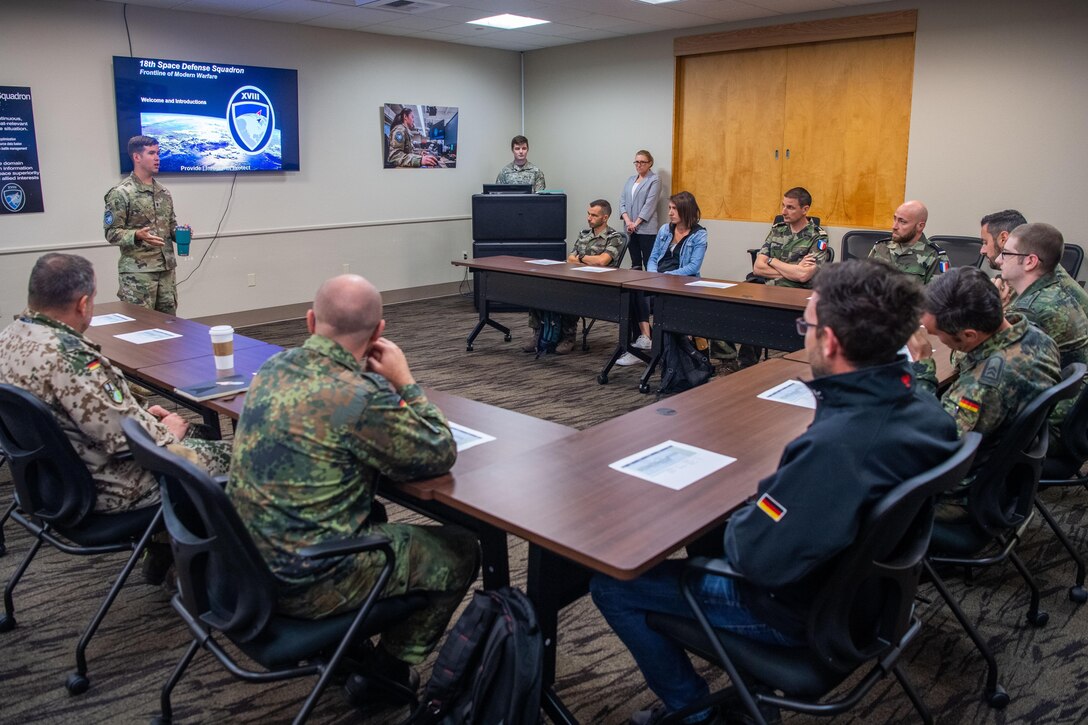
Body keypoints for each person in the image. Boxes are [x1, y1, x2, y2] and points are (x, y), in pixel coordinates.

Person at [593, 260, 961, 725]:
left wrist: (760, 500)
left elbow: (753, 557)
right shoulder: (926, 411)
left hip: (798, 610)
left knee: (613, 586)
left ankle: (695, 715)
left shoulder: (835, 447)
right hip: (872, 599)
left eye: (804, 324)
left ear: (828, 341)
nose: (802, 333)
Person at [227, 274, 479, 695]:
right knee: (460, 549)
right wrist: (405, 382)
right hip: (305, 583)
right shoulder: (360, 396)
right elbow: (438, 451)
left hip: (242, 562)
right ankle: (383, 674)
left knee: (374, 512)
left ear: (310, 321)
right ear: (380, 332)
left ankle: (347, 650)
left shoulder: (272, 367)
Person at [0, 253, 231, 514]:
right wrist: (167, 432)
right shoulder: (71, 358)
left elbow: (85, 410)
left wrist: (140, 414)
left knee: (202, 433)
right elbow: (123, 441)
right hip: (113, 487)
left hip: (48, 480)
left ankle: (170, 547)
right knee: (243, 456)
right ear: (83, 304)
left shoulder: (9, 338)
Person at [908, 266, 1061, 522]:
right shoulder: (1035, 336)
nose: (935, 340)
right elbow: (975, 353)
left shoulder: (981, 388)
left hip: (956, 495)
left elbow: (933, 443)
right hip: (1003, 471)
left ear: (969, 334)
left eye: (937, 335)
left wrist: (922, 367)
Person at [998, 222, 1088, 454]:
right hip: (1071, 415)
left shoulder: (1032, 310)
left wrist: (993, 313)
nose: (998, 260)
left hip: (1048, 428)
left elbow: (993, 364)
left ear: (1030, 261)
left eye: (1006, 253)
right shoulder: (1055, 290)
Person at [738, 187, 830, 367]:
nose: (783, 212)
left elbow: (804, 276)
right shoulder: (777, 230)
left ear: (805, 209)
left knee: (759, 315)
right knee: (738, 304)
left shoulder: (817, 237)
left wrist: (772, 260)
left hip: (797, 293)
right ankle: (743, 364)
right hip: (767, 288)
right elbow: (758, 268)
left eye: (790, 207)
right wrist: (792, 269)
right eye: (783, 205)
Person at [522, 200, 625, 355]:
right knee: (540, 288)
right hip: (575, 276)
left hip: (599, 284)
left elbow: (603, 261)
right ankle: (539, 333)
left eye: (594, 215)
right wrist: (589, 259)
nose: (589, 218)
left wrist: (581, 258)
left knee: (570, 292)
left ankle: (568, 337)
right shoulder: (584, 234)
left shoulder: (614, 237)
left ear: (605, 218)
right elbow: (570, 258)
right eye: (588, 214)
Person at [617, 191, 707, 367]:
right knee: (631, 292)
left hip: (682, 284)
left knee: (658, 301)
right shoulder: (665, 230)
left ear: (686, 210)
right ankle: (643, 340)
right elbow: (653, 257)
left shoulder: (699, 235)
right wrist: (652, 275)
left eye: (674, 209)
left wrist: (665, 277)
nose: (670, 212)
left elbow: (693, 267)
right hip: (658, 280)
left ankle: (661, 347)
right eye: (669, 208)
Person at [104, 135, 181, 314]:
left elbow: (170, 226)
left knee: (170, 326)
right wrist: (137, 235)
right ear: (137, 157)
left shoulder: (163, 192)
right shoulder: (121, 193)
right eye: (151, 153)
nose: (157, 158)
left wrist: (181, 233)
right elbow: (111, 233)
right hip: (138, 273)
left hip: (166, 270)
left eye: (158, 153)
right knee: (139, 327)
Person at [980, 209, 1088, 314]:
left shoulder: (1042, 297)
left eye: (985, 242)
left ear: (1003, 238)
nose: (982, 251)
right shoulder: (1038, 270)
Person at [868, 200, 950, 284]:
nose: (894, 226)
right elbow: (864, 283)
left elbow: (938, 294)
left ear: (920, 226)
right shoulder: (881, 247)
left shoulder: (935, 256)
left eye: (902, 222)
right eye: (894, 219)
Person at [620, 150, 661, 271]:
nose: (639, 165)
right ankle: (635, 290)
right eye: (636, 162)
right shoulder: (630, 179)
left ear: (650, 163)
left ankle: (649, 290)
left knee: (649, 262)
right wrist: (628, 222)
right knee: (635, 263)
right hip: (629, 228)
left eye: (642, 162)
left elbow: (650, 204)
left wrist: (636, 223)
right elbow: (622, 202)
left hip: (646, 229)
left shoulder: (655, 179)